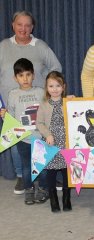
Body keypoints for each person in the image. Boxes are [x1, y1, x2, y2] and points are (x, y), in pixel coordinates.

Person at [0, 10, 62, 193]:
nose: (23, 28)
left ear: (32, 27)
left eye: (27, 25)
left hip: (38, 105)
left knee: (41, 138)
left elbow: (56, 67)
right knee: (16, 140)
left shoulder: (40, 46)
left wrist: (48, 89)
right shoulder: (3, 46)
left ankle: (45, 174)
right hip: (11, 106)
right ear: (13, 25)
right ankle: (21, 176)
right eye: (20, 24)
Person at [0, 58, 48, 205]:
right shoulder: (13, 94)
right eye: (21, 75)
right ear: (15, 78)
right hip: (23, 139)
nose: (25, 78)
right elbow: (12, 118)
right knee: (26, 166)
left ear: (33, 75)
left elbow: (48, 111)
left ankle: (44, 189)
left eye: (28, 74)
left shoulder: (41, 92)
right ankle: (28, 189)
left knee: (42, 166)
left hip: (40, 136)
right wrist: (5, 117)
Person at [36, 71, 72, 213]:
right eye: (51, 86)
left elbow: (79, 113)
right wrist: (48, 134)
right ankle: (53, 200)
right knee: (51, 172)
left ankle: (66, 199)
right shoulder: (44, 104)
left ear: (63, 87)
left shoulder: (68, 102)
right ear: (46, 88)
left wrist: (74, 101)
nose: (55, 89)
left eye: (58, 85)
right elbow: (39, 123)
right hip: (51, 142)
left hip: (66, 142)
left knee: (66, 172)